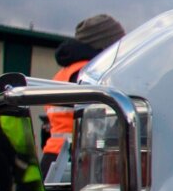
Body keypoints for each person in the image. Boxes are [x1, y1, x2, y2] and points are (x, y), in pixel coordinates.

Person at [40, 14, 124, 178]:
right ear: (106, 45)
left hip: (53, 156)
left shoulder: (65, 72)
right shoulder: (91, 73)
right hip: (74, 159)